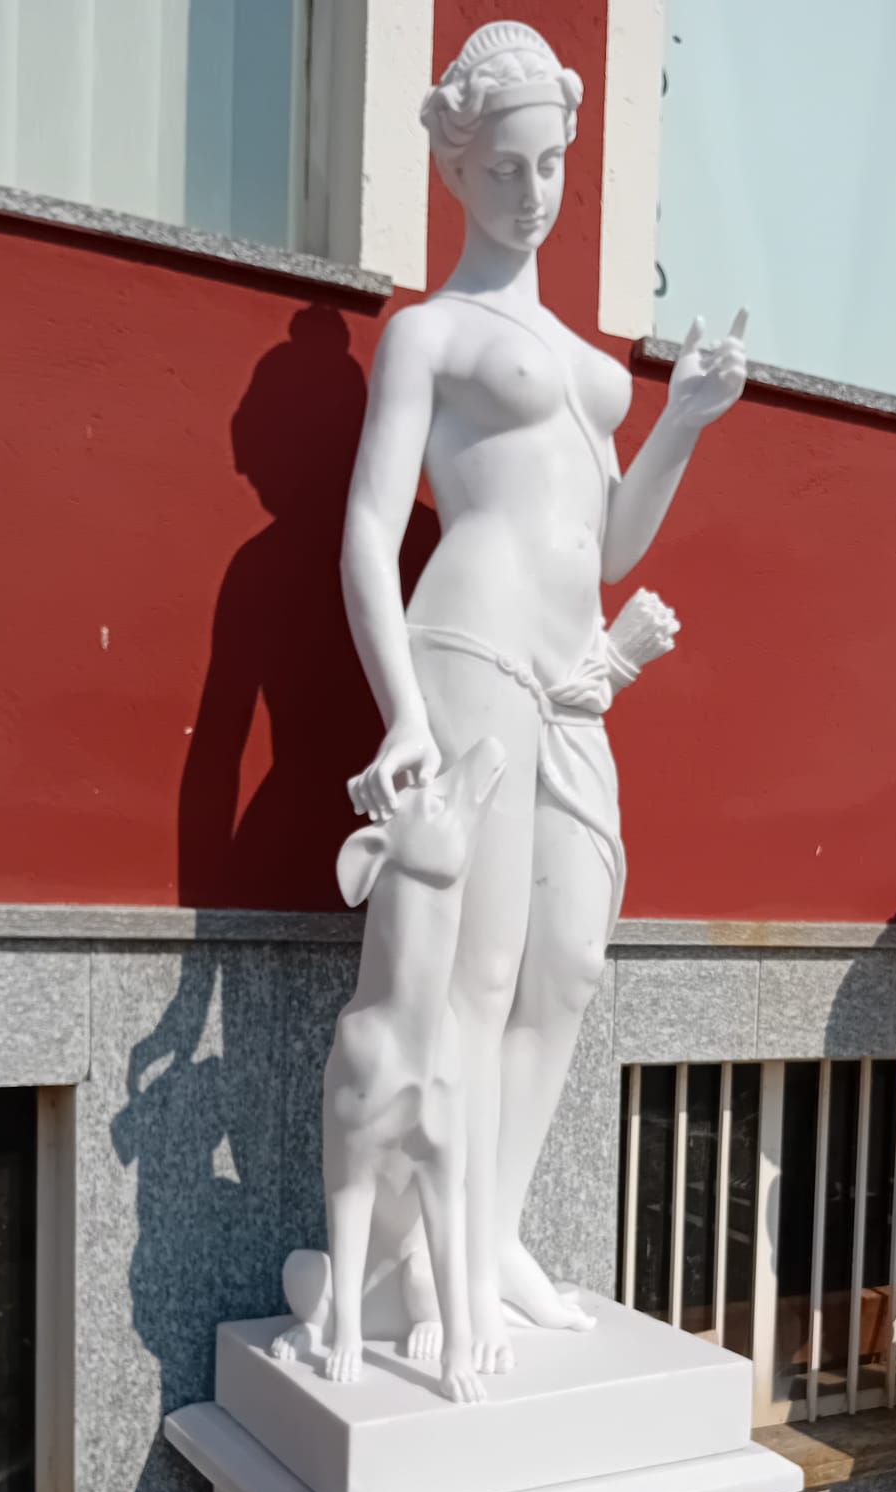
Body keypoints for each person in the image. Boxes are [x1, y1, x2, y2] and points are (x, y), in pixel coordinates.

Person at [339, 20, 746, 1373]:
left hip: (576, 676)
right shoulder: (429, 333)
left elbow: (608, 543)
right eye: (505, 168)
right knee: (476, 972)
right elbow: (366, 534)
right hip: (470, 649)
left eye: (552, 164)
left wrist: (682, 420)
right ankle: (438, 1268)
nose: (532, 191)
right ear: (457, 169)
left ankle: (492, 1228)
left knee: (565, 965)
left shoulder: (577, 357)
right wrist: (402, 709)